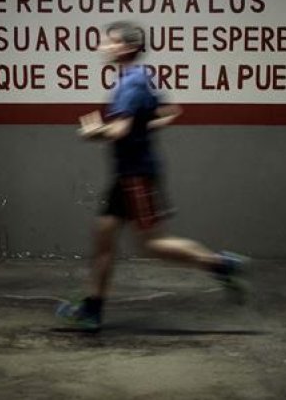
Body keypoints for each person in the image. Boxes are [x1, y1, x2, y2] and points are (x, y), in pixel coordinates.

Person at [56, 21, 248, 332]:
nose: (103, 46)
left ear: (128, 48)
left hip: (135, 177)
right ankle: (91, 310)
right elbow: (171, 111)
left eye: (111, 42)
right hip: (127, 174)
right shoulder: (142, 78)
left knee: (153, 245)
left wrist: (93, 132)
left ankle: (222, 265)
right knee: (103, 237)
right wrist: (142, 126)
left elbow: (119, 130)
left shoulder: (130, 84)